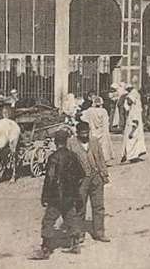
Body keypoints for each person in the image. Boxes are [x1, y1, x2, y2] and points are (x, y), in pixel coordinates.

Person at [32, 129, 84, 260]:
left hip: (55, 195)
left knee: (48, 220)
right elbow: (81, 175)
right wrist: (73, 188)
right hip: (69, 195)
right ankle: (75, 244)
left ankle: (46, 248)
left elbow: (49, 179)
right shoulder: (73, 156)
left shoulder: (53, 157)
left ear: (55, 142)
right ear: (66, 141)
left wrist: (45, 196)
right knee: (71, 217)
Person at [68, 122, 110, 243]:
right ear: (77, 133)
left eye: (87, 132)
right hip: (80, 179)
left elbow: (101, 158)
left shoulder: (95, 141)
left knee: (98, 206)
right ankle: (79, 233)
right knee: (80, 206)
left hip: (96, 177)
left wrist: (104, 174)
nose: (85, 135)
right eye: (82, 133)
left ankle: (99, 232)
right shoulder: (71, 143)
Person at [80, 96, 115, 164]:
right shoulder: (104, 111)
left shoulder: (90, 111)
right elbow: (107, 121)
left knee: (94, 146)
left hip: (93, 131)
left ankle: (95, 160)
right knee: (103, 146)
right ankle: (104, 160)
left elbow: (82, 117)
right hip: (103, 131)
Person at [120, 86, 147, 163]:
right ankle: (127, 154)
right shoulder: (134, 108)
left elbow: (135, 122)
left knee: (131, 141)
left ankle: (131, 156)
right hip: (130, 126)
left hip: (133, 128)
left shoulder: (134, 110)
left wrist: (132, 132)